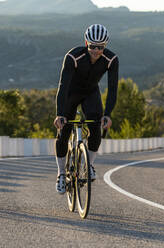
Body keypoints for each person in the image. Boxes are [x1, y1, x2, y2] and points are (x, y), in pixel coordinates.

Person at [53, 24, 119, 194]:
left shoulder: (111, 60)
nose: (96, 51)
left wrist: (108, 114)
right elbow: (63, 85)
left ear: (105, 46)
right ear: (86, 42)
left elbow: (112, 89)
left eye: (100, 47)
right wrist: (60, 114)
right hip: (71, 93)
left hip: (91, 93)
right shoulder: (73, 57)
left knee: (96, 128)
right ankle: (61, 174)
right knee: (64, 132)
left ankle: (88, 164)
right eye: (92, 46)